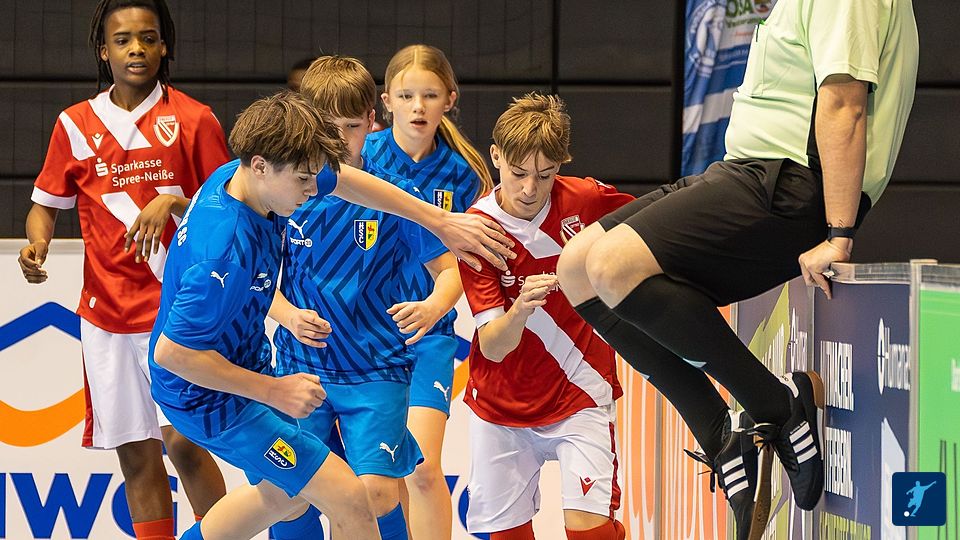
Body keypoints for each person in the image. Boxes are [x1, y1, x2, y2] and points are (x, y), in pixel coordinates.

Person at [555, 1, 918, 539]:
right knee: (576, 268)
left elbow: (844, 103)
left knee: (611, 266)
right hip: (745, 171)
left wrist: (839, 235)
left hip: (790, 183)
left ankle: (778, 406)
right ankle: (722, 438)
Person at [151, 91, 515, 540]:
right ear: (261, 166)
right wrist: (273, 390)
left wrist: (438, 221)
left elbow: (344, 180)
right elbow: (173, 354)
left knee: (286, 497)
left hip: (245, 369)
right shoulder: (224, 253)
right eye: (304, 181)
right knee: (348, 497)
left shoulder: (245, 174)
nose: (313, 191)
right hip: (211, 397)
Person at [17, 1, 229, 537]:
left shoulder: (195, 119)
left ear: (164, 46)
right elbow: (45, 205)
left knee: (185, 443)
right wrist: (37, 243)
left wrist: (173, 202)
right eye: (123, 40)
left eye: (148, 38)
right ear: (103, 50)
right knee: (137, 456)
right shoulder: (74, 124)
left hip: (178, 313)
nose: (137, 49)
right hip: (107, 316)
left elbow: (231, 208)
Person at [266, 55, 464, 540]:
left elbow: (450, 270)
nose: (338, 140)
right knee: (289, 497)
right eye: (327, 128)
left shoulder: (395, 193)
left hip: (374, 369)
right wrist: (288, 315)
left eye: (351, 127)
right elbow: (259, 281)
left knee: (375, 494)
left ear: (372, 121)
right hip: (299, 367)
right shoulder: (282, 191)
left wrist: (434, 306)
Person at [459, 93, 633, 540]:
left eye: (545, 174)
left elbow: (653, 223)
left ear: (561, 166)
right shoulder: (477, 230)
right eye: (518, 173)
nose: (530, 189)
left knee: (589, 532)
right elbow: (494, 347)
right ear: (496, 156)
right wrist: (519, 309)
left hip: (580, 391)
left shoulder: (586, 199)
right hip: (501, 404)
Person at [363, 43, 494, 539]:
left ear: (450, 100)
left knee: (421, 466)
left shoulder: (464, 175)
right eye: (406, 96)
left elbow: (472, 259)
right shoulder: (362, 159)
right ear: (386, 102)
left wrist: (436, 305)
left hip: (429, 337)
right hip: (364, 339)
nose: (418, 107)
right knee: (379, 477)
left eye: (430, 95)